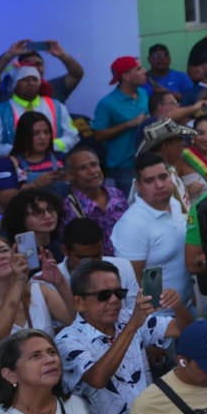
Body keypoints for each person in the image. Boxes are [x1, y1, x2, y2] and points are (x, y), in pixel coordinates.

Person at [56, 260, 187, 414]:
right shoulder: (66, 341)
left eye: (119, 293)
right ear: (79, 302)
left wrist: (177, 306)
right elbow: (97, 379)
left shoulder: (128, 317)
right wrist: (133, 326)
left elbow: (183, 330)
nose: (114, 300)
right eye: (103, 295)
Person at [109, 153, 190, 302]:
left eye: (163, 177)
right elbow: (134, 280)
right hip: (159, 316)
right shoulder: (132, 226)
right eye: (149, 181)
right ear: (138, 186)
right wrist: (160, 312)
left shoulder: (175, 204)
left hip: (185, 305)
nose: (159, 185)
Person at [89, 57, 149, 193]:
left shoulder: (143, 93)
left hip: (145, 162)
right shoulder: (107, 104)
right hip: (124, 167)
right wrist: (129, 124)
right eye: (139, 69)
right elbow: (98, 135)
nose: (145, 71)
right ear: (126, 76)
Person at [61, 148, 127, 256]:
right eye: (83, 168)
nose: (92, 171)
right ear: (70, 175)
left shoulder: (117, 194)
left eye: (94, 165)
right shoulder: (69, 208)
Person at [0, 111, 63, 211]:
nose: (43, 137)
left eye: (46, 132)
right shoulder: (6, 164)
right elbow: (5, 200)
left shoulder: (62, 158)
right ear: (23, 136)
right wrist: (35, 185)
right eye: (36, 133)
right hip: (23, 223)